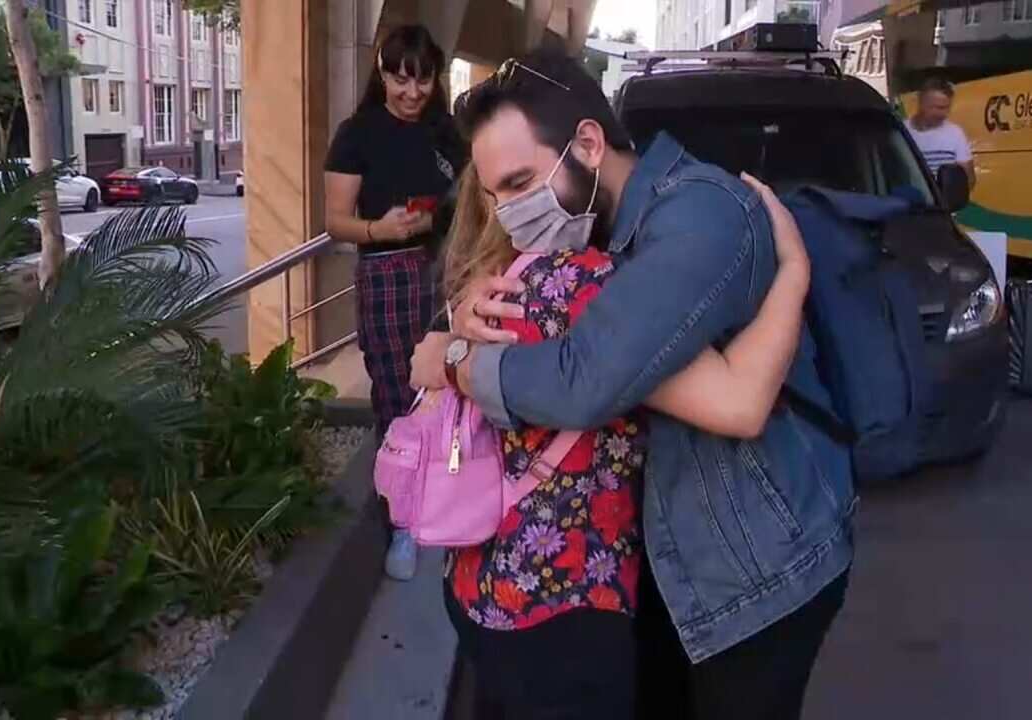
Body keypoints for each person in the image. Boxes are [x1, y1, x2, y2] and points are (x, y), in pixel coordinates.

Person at [410, 50, 855, 720]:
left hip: (752, 569)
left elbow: (592, 378)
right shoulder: (591, 236)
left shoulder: (697, 216)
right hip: (660, 560)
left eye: (522, 181)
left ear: (589, 143)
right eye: (495, 193)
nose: (507, 213)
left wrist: (455, 360)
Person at [324, 25, 466, 581]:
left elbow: (469, 202)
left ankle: (449, 504)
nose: (411, 92)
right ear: (382, 74)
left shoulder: (445, 131)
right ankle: (404, 524)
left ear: (435, 78)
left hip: (443, 274)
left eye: (422, 79)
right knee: (394, 395)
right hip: (384, 274)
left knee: (448, 389)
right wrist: (379, 230)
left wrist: (436, 220)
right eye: (399, 79)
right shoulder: (356, 132)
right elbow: (334, 220)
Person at [905, 77, 976, 188]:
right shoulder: (902, 132)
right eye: (939, 108)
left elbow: (968, 180)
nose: (944, 113)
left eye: (947, 108)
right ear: (921, 103)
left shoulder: (955, 133)